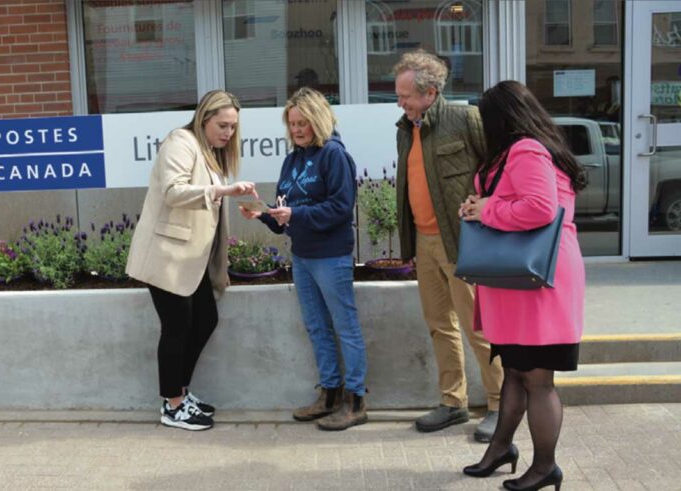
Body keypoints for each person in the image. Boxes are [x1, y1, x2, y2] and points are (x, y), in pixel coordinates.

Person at [461, 80, 586, 491]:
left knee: (537, 378)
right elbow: (510, 201)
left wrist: (488, 208)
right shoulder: (512, 152)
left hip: (538, 282)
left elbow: (539, 208)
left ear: (500, 118)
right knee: (514, 370)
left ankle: (546, 465)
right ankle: (501, 449)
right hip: (518, 282)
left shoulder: (526, 149)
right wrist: (477, 208)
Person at [126, 90, 258, 431]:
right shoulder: (180, 142)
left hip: (191, 258)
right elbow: (173, 191)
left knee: (204, 320)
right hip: (167, 255)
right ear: (204, 118)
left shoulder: (208, 151)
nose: (228, 133)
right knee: (177, 327)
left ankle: (179, 393)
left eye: (233, 127)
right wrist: (221, 192)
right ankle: (172, 404)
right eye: (223, 125)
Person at [240, 87, 368, 431]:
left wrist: (294, 213)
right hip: (303, 256)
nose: (296, 130)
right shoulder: (292, 159)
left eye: (302, 123)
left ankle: (355, 401)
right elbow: (287, 220)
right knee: (316, 327)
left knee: (345, 327)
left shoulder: (334, 155)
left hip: (331, 256)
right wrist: (264, 213)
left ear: (318, 120)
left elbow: (341, 208)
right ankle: (329, 395)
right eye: (292, 124)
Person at [392, 50, 504, 441]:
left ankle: (499, 404)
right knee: (440, 324)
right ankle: (453, 402)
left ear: (431, 92)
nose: (400, 102)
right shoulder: (405, 128)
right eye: (399, 95)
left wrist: (488, 204)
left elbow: (497, 167)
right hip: (424, 242)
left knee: (479, 327)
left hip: (462, 240)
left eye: (405, 95)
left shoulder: (464, 118)